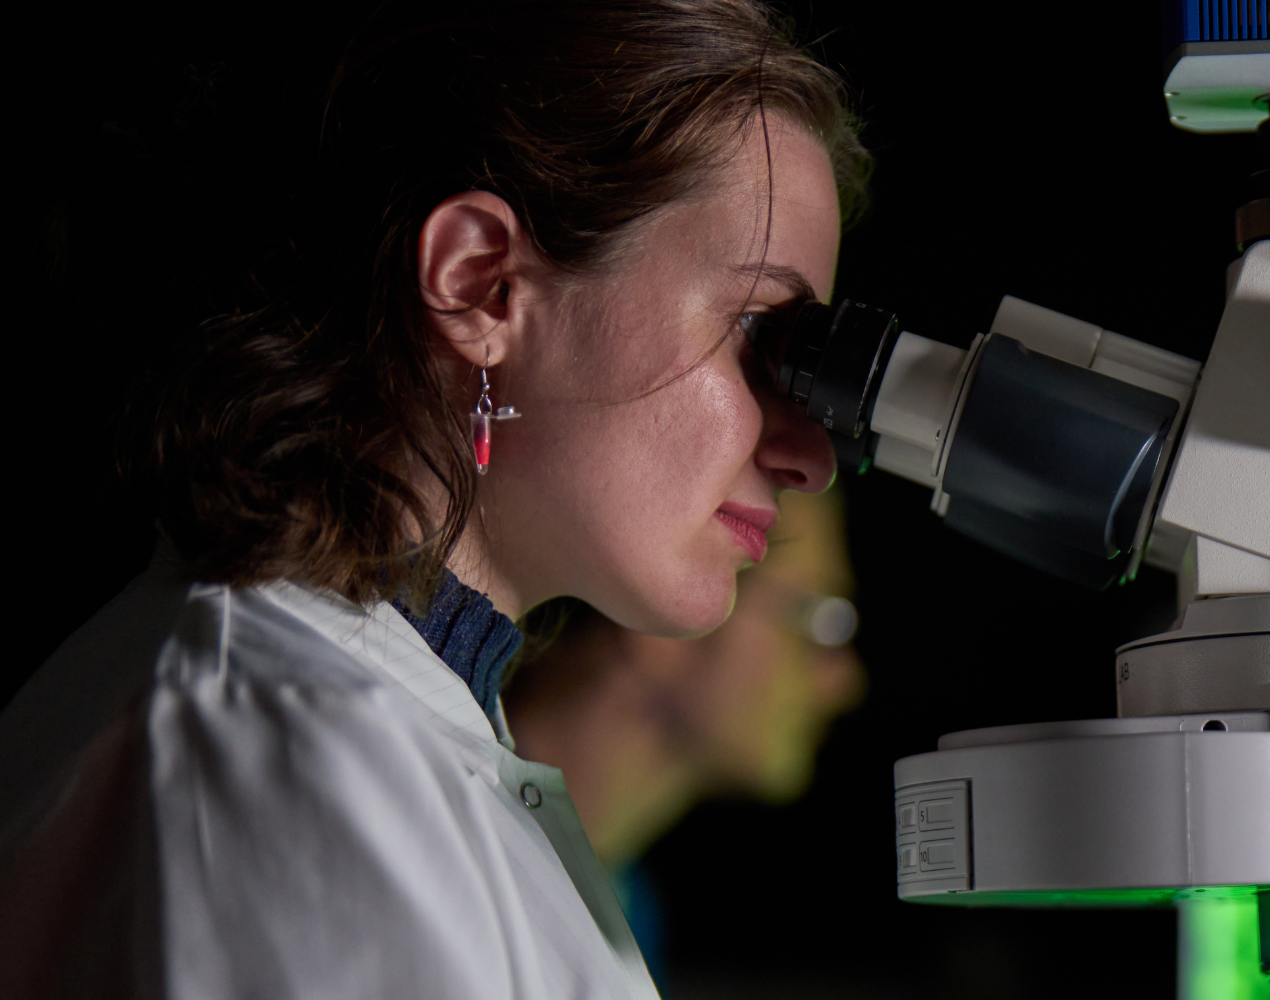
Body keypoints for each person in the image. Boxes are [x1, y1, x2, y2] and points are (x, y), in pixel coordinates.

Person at [0, 2, 862, 996]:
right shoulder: (282, 748)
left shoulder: (397, 716)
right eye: (757, 329)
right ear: (480, 282)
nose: (810, 455)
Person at [505, 486, 864, 976]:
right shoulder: (440, 818)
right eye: (822, 621)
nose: (843, 682)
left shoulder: (633, 919)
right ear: (660, 620)